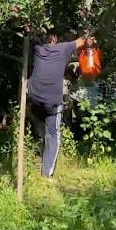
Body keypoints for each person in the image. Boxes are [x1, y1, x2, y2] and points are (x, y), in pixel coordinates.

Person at [26, 29, 89, 180]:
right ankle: (46, 174)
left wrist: (28, 28)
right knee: (53, 134)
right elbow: (82, 41)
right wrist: (87, 33)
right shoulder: (64, 48)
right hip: (51, 103)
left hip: (34, 98)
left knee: (40, 122)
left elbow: (31, 36)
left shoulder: (37, 49)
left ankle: (35, 150)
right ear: (54, 38)